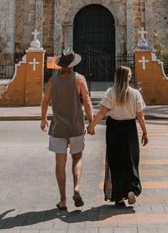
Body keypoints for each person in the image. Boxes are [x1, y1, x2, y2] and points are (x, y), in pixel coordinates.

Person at [41, 48, 94, 211]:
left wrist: (43, 119)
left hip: (58, 128)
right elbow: (87, 101)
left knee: (60, 163)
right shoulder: (79, 79)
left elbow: (45, 101)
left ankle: (63, 200)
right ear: (73, 64)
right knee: (77, 158)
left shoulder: (52, 81)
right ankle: (76, 188)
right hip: (76, 126)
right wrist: (91, 122)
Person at [88, 66, 148, 207]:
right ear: (128, 78)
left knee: (115, 161)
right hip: (129, 130)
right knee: (131, 160)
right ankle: (131, 188)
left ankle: (119, 196)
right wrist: (145, 132)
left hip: (114, 129)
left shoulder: (110, 92)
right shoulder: (135, 94)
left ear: (116, 77)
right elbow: (140, 115)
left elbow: (102, 112)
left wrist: (91, 126)